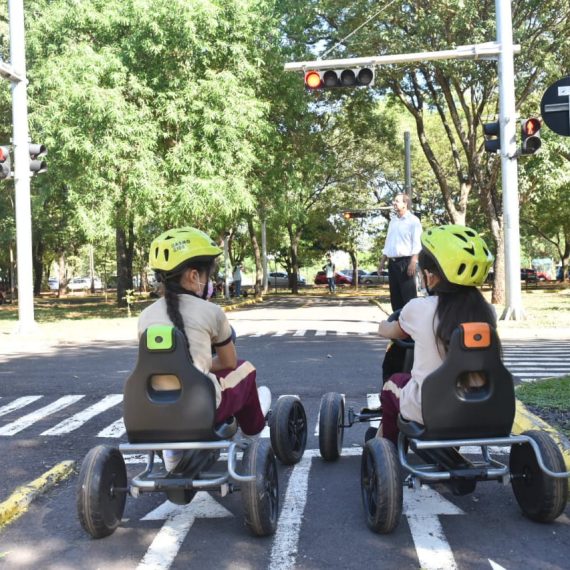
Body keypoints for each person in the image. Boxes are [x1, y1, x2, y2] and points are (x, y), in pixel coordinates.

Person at [138, 227, 271, 472]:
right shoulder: (211, 312)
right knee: (245, 369)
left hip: (152, 406)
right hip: (200, 406)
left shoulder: (145, 316)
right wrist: (200, 364)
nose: (210, 282)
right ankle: (253, 433)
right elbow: (228, 362)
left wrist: (190, 364)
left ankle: (172, 452)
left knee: (174, 383)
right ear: (193, 276)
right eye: (208, 275)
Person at [376, 225, 495, 446]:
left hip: (430, 409)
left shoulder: (418, 308)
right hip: (482, 406)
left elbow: (391, 331)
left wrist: (382, 326)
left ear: (430, 277)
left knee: (392, 384)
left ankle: (386, 446)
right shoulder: (487, 312)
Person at [378, 193, 422, 311]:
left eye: (397, 201)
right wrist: (382, 262)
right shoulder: (393, 221)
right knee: (395, 297)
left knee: (408, 298)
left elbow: (417, 244)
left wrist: (413, 262)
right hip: (392, 263)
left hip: (406, 263)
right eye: (394, 201)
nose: (394, 203)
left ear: (405, 204)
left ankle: (411, 322)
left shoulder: (413, 221)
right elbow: (388, 243)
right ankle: (397, 321)